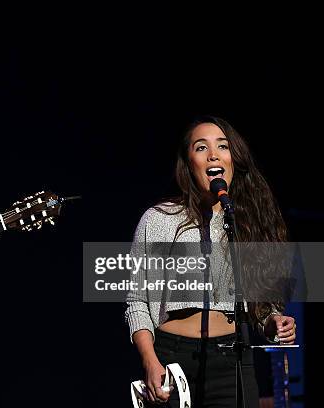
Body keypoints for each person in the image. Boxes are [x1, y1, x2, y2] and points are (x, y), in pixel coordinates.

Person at [125, 116, 297, 407]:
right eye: (201, 147)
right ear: (189, 163)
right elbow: (137, 299)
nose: (213, 154)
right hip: (172, 359)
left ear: (234, 160)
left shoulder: (247, 224)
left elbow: (261, 305)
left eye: (223, 146)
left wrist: (272, 322)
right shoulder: (159, 220)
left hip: (232, 360)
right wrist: (150, 361)